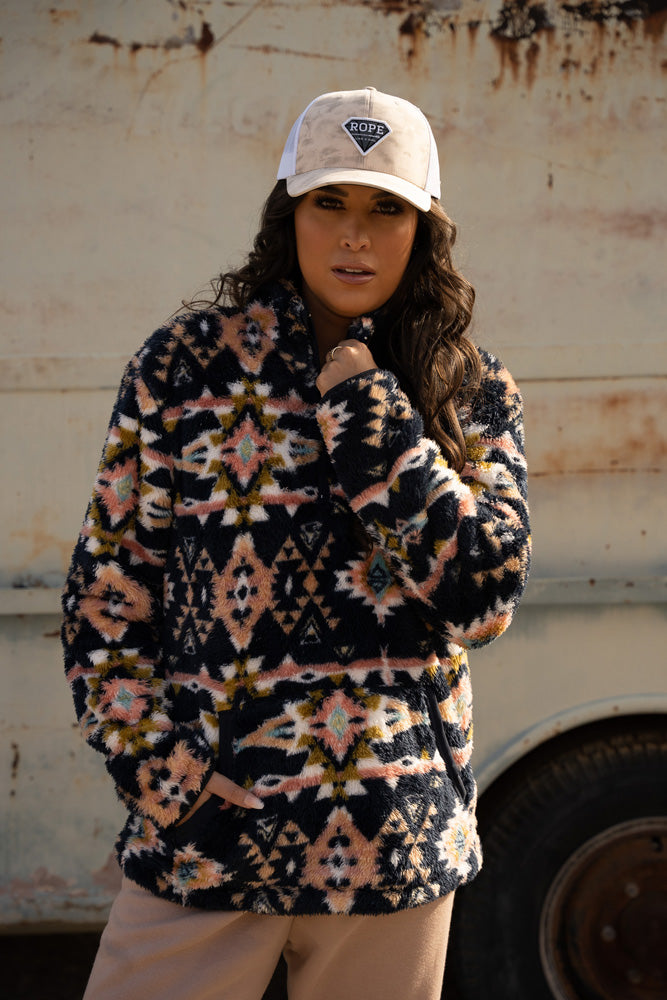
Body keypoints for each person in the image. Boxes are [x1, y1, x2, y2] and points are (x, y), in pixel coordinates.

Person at [62, 87, 530, 1000]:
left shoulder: (468, 388)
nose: (354, 235)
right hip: (206, 836)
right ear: (291, 213)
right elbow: (107, 596)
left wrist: (370, 412)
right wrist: (163, 776)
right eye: (330, 204)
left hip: (392, 842)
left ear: (422, 228)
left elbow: (483, 598)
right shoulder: (183, 366)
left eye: (383, 209)